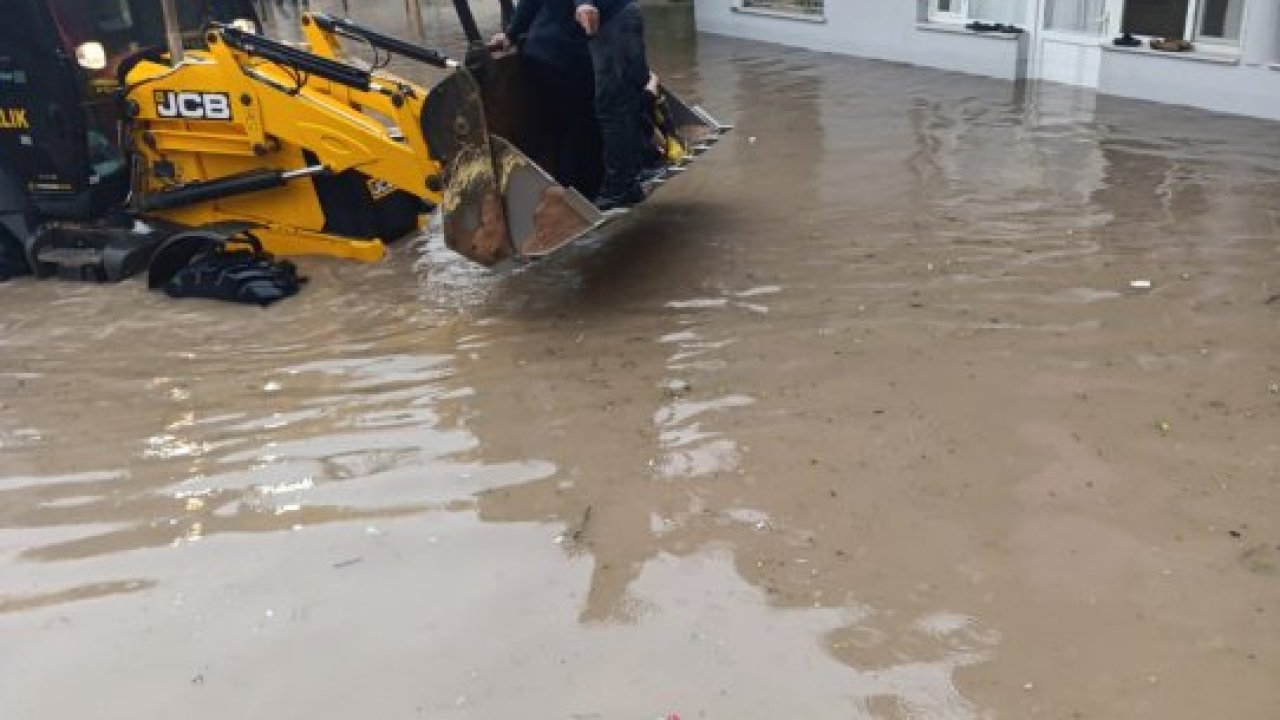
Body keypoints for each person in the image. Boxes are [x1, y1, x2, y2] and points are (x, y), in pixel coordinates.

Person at [492, 1, 602, 199]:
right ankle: (579, 192)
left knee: (561, 127)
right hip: (566, 53)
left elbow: (528, 5)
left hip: (538, 52)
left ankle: (567, 189)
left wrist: (510, 34)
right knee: (578, 125)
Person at [572, 0, 652, 210]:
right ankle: (632, 179)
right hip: (623, 14)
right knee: (628, 97)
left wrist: (584, 3)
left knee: (612, 106)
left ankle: (619, 189)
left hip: (612, 21)